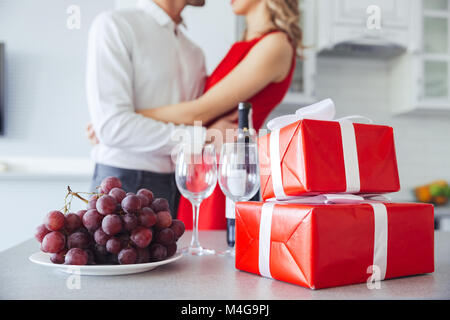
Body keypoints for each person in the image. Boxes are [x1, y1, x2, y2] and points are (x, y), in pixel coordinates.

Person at [88, 0, 301, 229]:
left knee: (200, 259)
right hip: (138, 175)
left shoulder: (196, 53)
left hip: (213, 175)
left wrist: (122, 119)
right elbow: (200, 116)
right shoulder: (117, 25)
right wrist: (113, 121)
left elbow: (199, 111)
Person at [86, 0, 238, 216]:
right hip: (123, 184)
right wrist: (203, 137)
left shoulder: (194, 53)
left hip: (180, 186)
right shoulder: (115, 26)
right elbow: (112, 126)